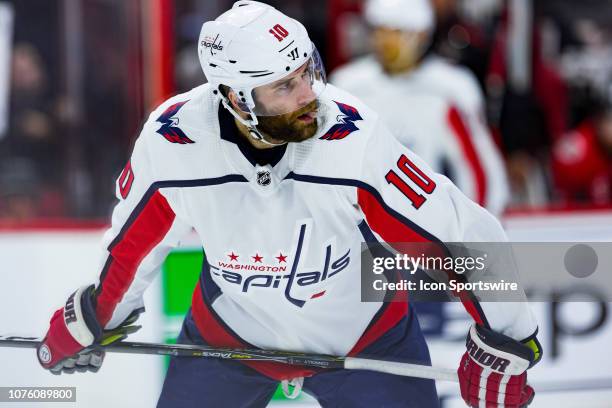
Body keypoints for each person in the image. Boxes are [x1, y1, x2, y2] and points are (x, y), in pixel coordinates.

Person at [36, 2, 541, 407]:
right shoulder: (174, 142)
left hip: (365, 336)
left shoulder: (350, 136)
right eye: (284, 86)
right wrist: (94, 316)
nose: (310, 95)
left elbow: (456, 230)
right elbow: (135, 245)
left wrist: (508, 343)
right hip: (227, 341)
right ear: (235, 98)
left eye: (307, 72)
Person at [331, 0, 509, 216]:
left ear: (423, 34)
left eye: (397, 32)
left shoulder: (450, 86)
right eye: (381, 31)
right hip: (361, 219)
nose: (387, 42)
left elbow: (480, 173)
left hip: (425, 218)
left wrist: (471, 231)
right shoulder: (348, 84)